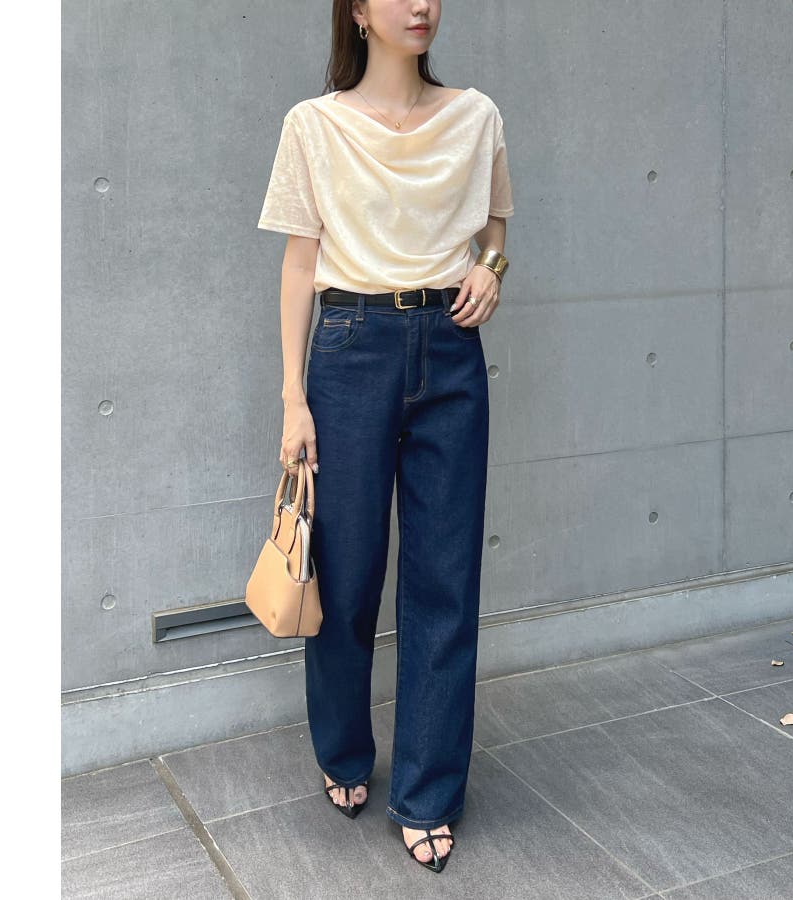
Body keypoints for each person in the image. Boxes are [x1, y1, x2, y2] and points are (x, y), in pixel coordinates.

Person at [256, 0, 513, 874]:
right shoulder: (314, 124)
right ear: (359, 11)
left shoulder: (475, 116)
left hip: (450, 351)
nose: (421, 5)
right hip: (349, 348)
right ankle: (342, 750)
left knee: (446, 578)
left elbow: (496, 224)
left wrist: (492, 269)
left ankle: (429, 792)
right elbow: (300, 262)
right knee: (348, 570)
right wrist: (293, 399)